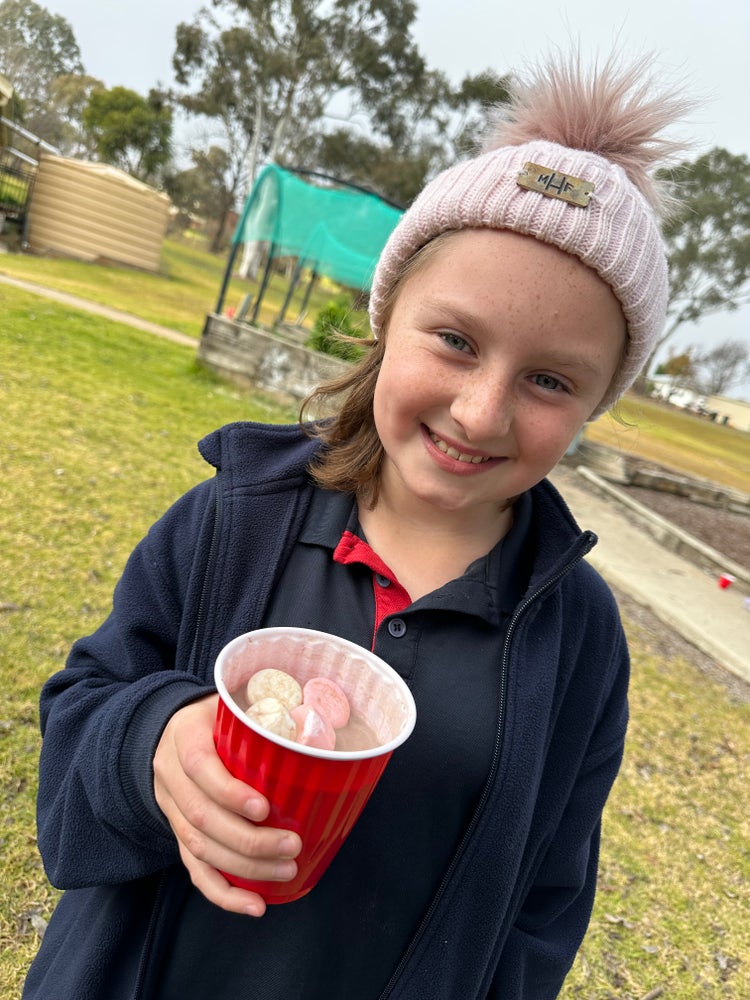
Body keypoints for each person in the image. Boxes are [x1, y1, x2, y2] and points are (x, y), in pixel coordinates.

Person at [24, 51, 691, 1000]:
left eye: (550, 380)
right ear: (386, 317)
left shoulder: (579, 637)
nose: (480, 413)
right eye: (455, 340)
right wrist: (151, 746)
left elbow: (543, 908)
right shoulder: (231, 519)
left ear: (596, 404)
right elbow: (80, 713)